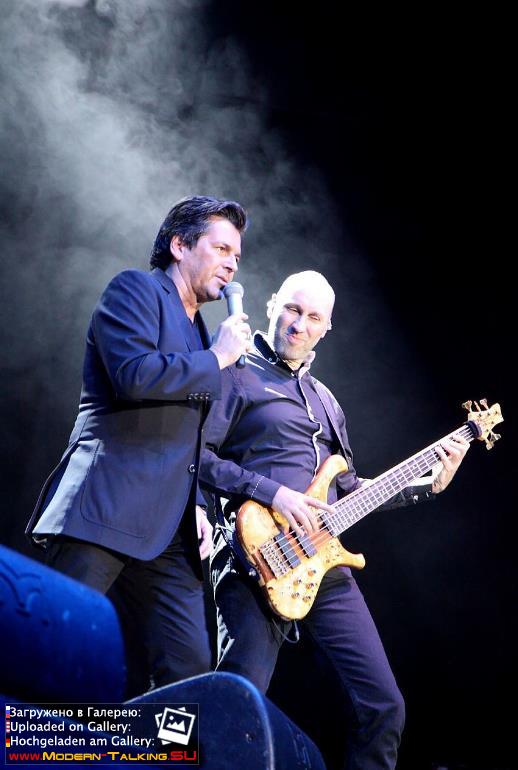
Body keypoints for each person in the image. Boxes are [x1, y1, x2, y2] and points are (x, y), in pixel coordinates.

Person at [199, 270, 469, 770]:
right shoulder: (234, 374)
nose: (298, 325)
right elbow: (198, 459)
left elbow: (348, 492)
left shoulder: (327, 402)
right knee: (237, 703)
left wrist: (428, 485)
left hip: (322, 565)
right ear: (273, 305)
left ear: (327, 328)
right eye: (292, 310)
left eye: (313, 317)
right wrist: (274, 493)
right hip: (252, 555)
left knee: (384, 706)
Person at [26, 195, 252, 696]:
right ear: (179, 245)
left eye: (237, 255)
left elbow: (189, 435)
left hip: (169, 531)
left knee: (189, 674)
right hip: (106, 509)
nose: (232, 264)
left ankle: (158, 743)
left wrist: (198, 503)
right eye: (221, 249)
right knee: (54, 648)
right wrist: (216, 358)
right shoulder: (135, 290)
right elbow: (133, 375)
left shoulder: (200, 331)